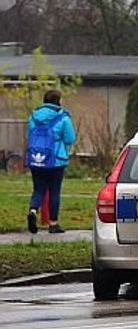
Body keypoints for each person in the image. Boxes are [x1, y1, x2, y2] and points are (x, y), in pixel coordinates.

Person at [25, 89, 76, 234]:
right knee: (54, 191)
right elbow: (70, 139)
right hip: (56, 161)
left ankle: (33, 210)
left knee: (38, 189)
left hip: (36, 159)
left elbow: (29, 136)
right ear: (58, 101)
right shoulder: (63, 118)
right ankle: (53, 224)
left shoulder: (33, 117)